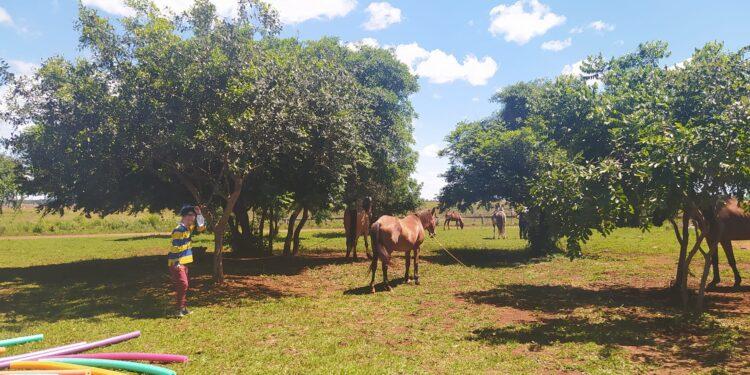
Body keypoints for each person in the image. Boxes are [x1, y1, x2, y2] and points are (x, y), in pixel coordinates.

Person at [168, 204, 206, 317]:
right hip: (177, 262)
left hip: (183, 262)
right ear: (185, 216)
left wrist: (199, 214)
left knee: (184, 285)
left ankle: (183, 308)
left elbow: (201, 228)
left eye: (194, 216)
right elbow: (175, 248)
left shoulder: (187, 228)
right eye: (191, 215)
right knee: (183, 284)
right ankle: (178, 309)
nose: (193, 218)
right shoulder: (179, 230)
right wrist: (177, 263)